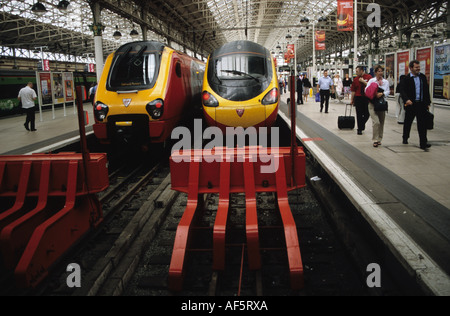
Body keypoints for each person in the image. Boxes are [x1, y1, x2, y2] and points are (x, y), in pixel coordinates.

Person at [400, 60, 432, 150]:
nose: (418, 69)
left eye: (419, 67)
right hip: (411, 104)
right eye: (416, 67)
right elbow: (402, 91)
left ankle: (423, 143)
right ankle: (405, 137)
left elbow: (426, 90)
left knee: (422, 124)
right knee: (408, 122)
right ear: (411, 68)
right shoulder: (406, 79)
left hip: (421, 104)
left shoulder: (422, 77)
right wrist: (406, 100)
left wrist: (427, 103)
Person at [365, 65, 390, 148]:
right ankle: (375, 139)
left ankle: (379, 139)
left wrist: (382, 94)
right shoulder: (372, 81)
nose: (380, 73)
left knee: (381, 122)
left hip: (381, 103)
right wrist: (374, 93)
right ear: (375, 72)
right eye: (378, 71)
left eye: (381, 71)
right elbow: (366, 90)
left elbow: (388, 91)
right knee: (376, 122)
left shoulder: (386, 82)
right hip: (372, 103)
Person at [350, 66, 372, 135]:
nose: (356, 73)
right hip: (358, 98)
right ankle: (359, 129)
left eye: (357, 71)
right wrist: (352, 99)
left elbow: (371, 86)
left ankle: (362, 124)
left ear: (362, 71)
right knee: (359, 114)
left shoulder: (369, 77)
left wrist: (363, 82)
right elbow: (353, 90)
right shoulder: (355, 79)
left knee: (367, 113)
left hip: (366, 97)